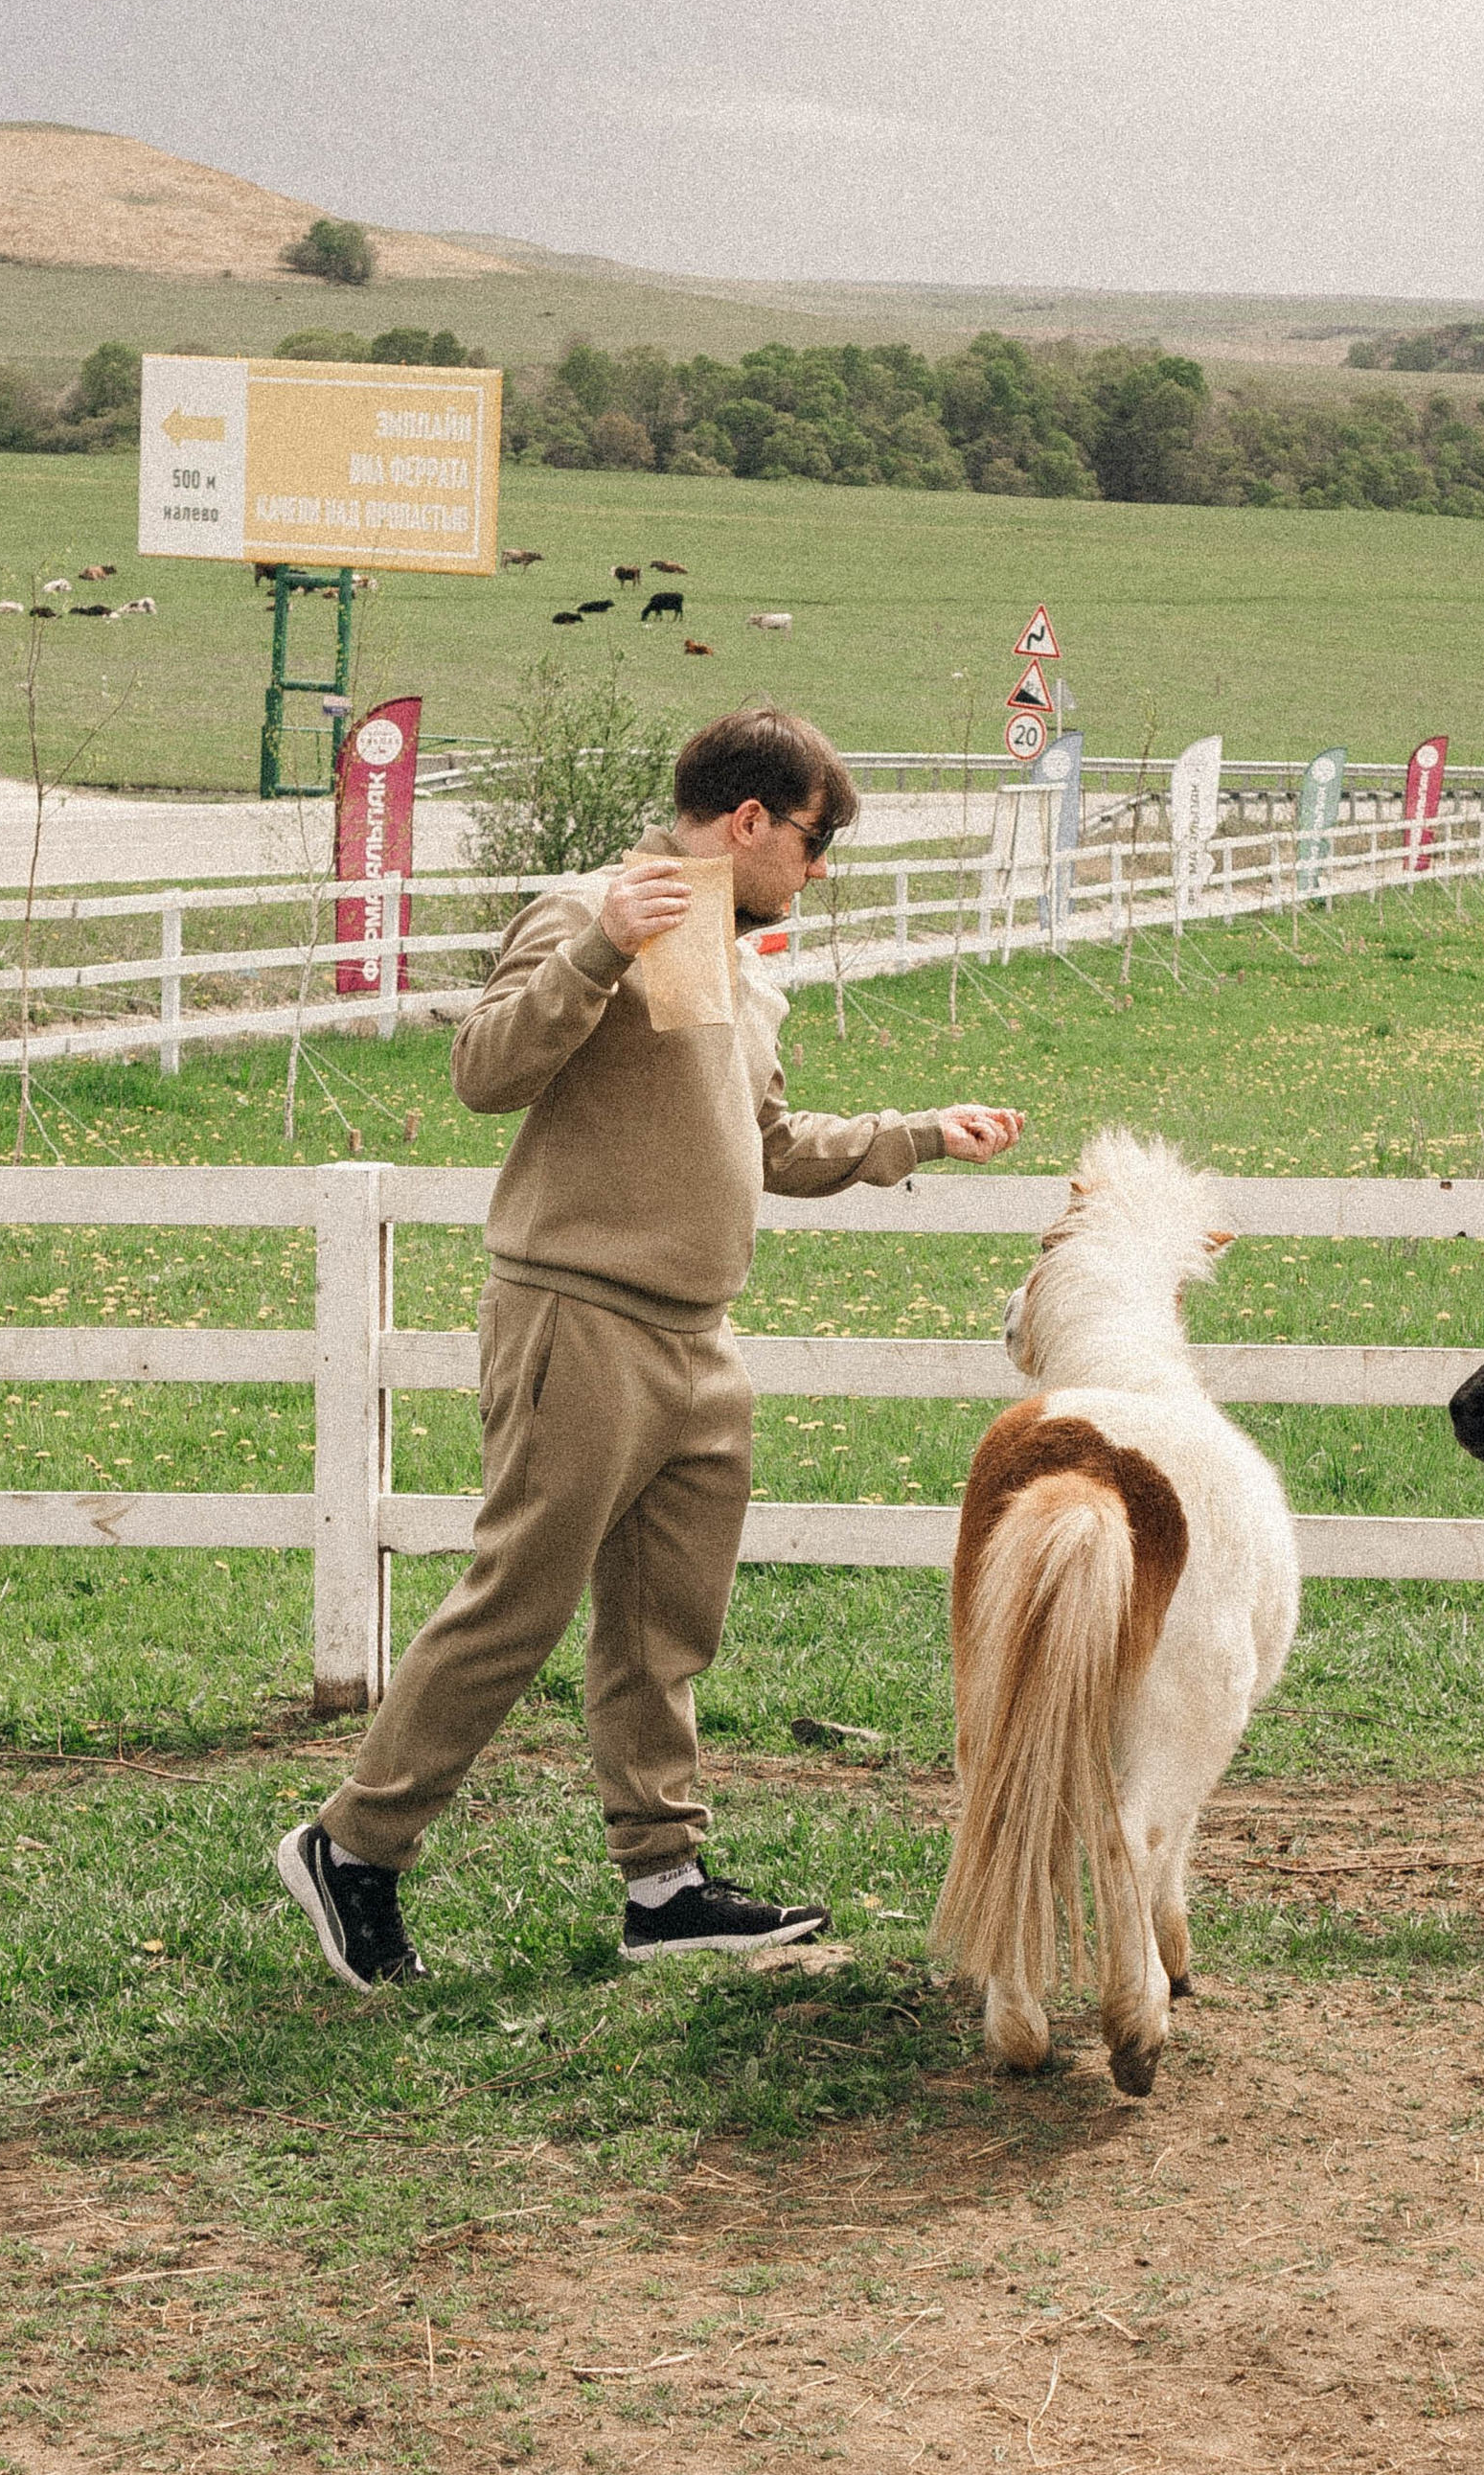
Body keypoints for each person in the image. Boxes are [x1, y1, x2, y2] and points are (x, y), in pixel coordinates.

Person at [277, 704, 1023, 1987]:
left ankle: (665, 1885)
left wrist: (919, 1133)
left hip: (696, 1343)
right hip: (579, 1316)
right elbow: (482, 1072)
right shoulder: (591, 907)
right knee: (516, 1602)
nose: (820, 865)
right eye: (815, 836)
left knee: (663, 1630)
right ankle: (353, 1848)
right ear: (749, 822)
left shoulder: (746, 962)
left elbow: (771, 1146)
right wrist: (599, 954)